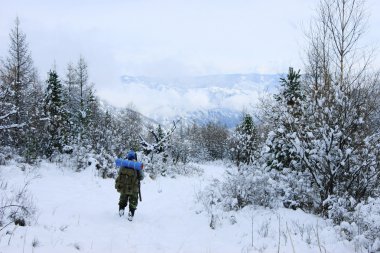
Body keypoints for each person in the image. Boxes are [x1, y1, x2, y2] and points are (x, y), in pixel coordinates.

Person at [115, 149, 144, 221]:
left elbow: (119, 173)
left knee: (123, 199)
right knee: (133, 200)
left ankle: (121, 210)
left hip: (124, 186)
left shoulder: (124, 164)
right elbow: (141, 177)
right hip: (134, 187)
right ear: (135, 157)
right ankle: (131, 213)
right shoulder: (136, 165)